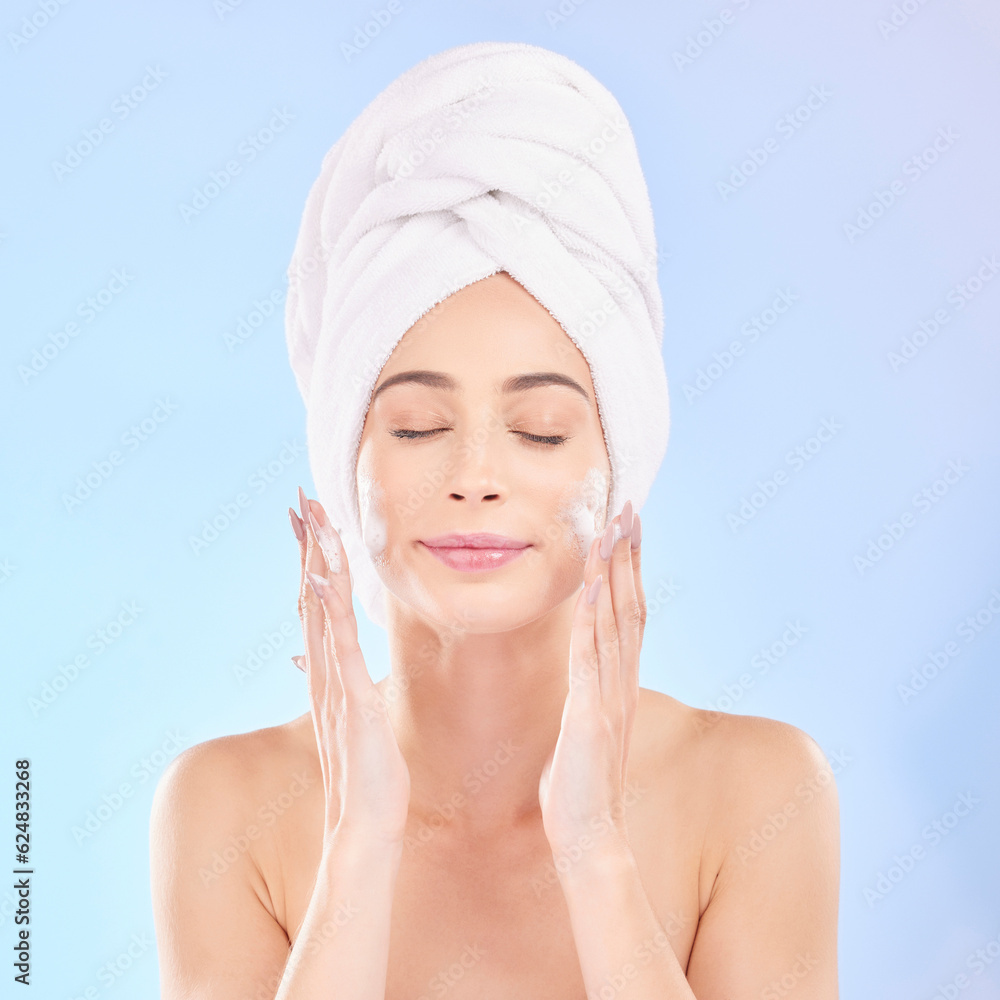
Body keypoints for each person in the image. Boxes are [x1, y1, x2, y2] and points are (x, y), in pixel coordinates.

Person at [150, 42, 839, 1000]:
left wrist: (596, 852)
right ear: (348, 459)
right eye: (419, 425)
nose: (476, 478)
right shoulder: (224, 810)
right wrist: (358, 847)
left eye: (540, 430)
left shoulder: (760, 794)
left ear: (618, 460)